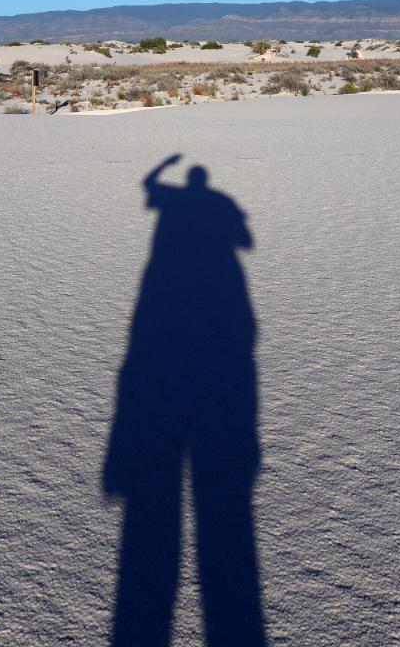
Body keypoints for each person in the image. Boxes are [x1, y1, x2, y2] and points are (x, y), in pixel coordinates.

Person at [103, 154, 266, 647]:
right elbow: (246, 241)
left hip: (165, 326)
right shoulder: (218, 204)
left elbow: (148, 184)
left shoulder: (174, 201)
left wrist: (163, 167)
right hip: (221, 338)